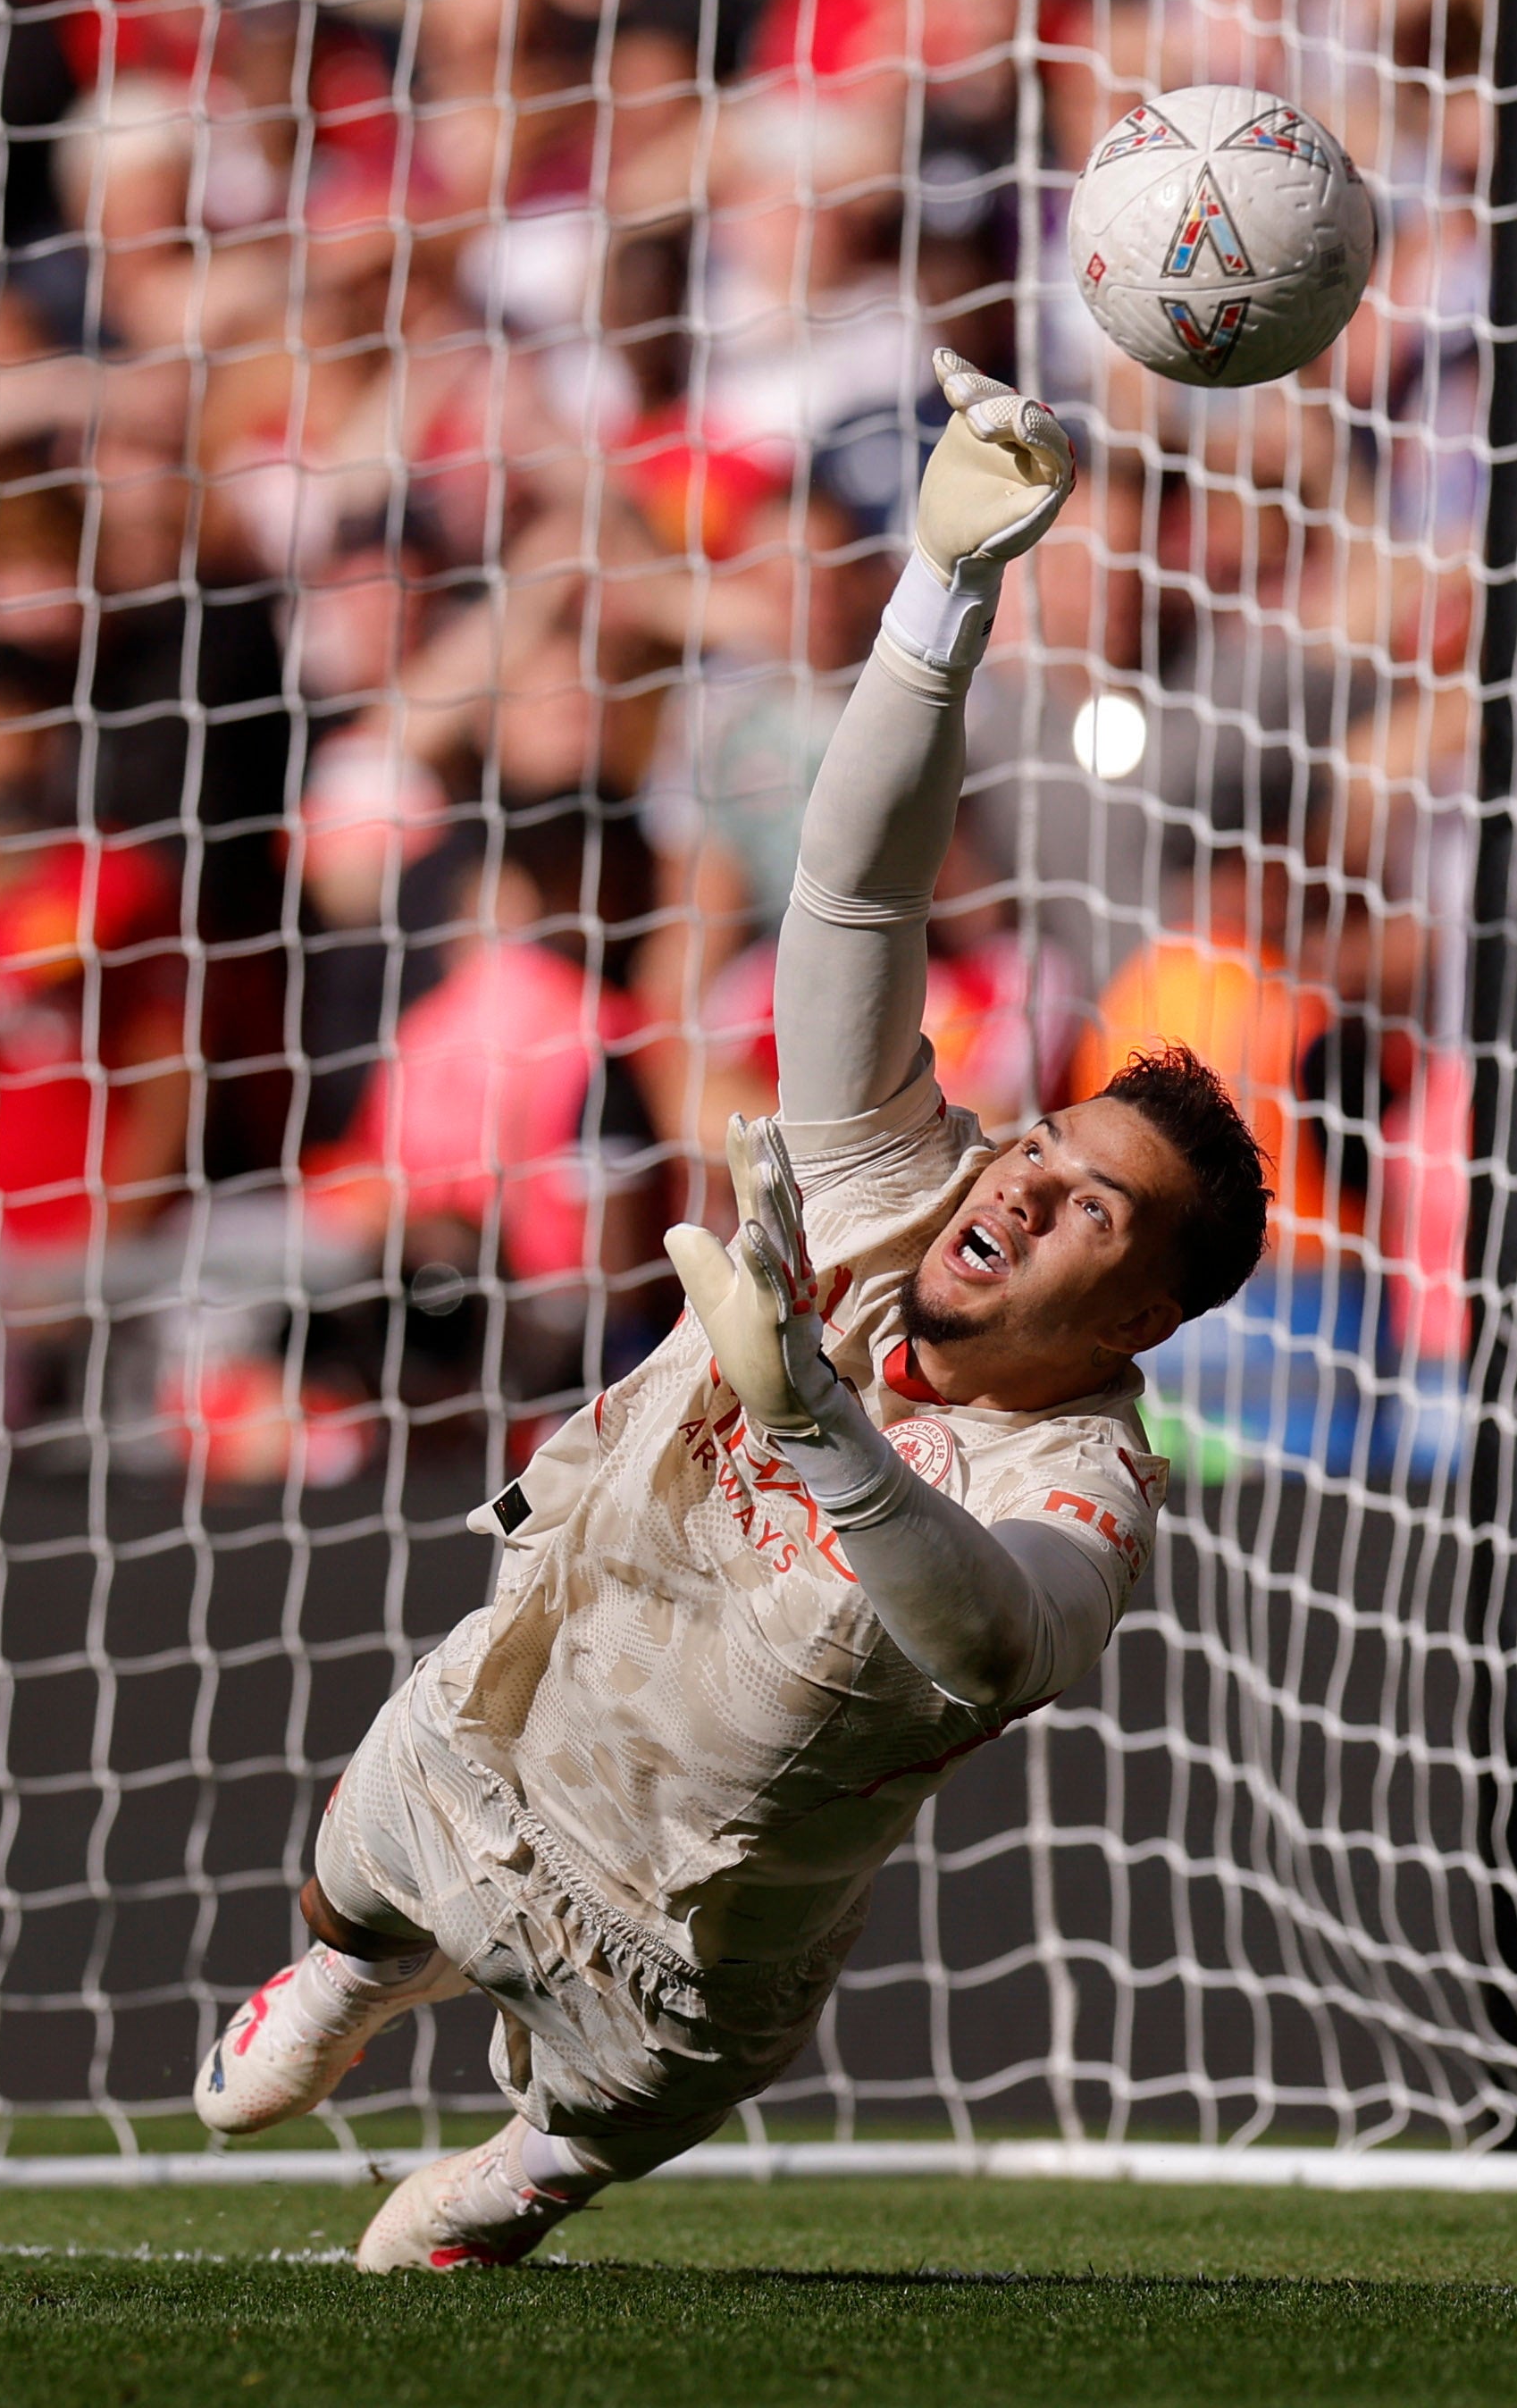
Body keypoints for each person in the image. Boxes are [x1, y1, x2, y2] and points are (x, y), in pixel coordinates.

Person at [189, 354, 1270, 2270]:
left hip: (681, 1940)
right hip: (502, 1729)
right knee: (352, 1883)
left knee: (567, 2145)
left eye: (1090, 1200)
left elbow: (993, 1636)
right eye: (1041, 1137)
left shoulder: (1088, 1477)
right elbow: (848, 894)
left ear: (1141, 1316)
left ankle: (516, 2170)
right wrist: (939, 599)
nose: (1018, 1178)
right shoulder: (886, 1184)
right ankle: (351, 1978)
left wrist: (817, 1427)